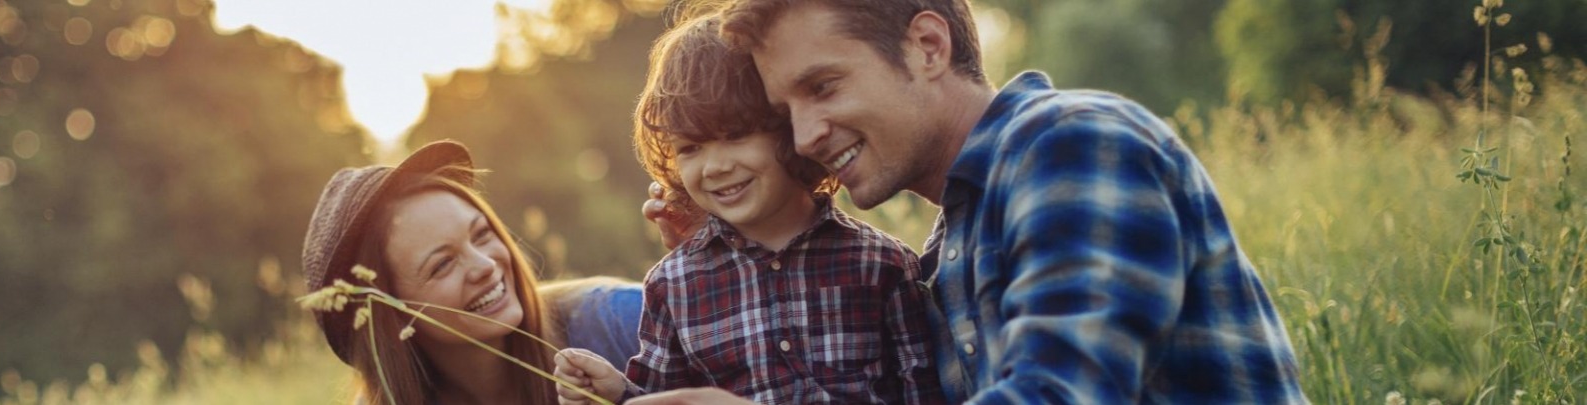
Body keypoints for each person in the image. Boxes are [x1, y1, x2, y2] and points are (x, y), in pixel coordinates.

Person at [635, 0, 1308, 403]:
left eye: (824, 87)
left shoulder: (1073, 142)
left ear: (928, 46)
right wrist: (736, 252)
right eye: (786, 112)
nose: (805, 137)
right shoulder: (946, 252)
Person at [552, 14, 943, 405]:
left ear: (790, 128)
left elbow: (923, 392)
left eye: (735, 136)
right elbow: (665, 397)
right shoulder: (673, 285)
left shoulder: (883, 263)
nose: (715, 166)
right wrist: (618, 394)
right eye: (690, 148)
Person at [300, 140, 644, 405]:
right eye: (443, 264)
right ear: (394, 315)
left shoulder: (623, 321)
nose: (485, 265)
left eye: (482, 235)